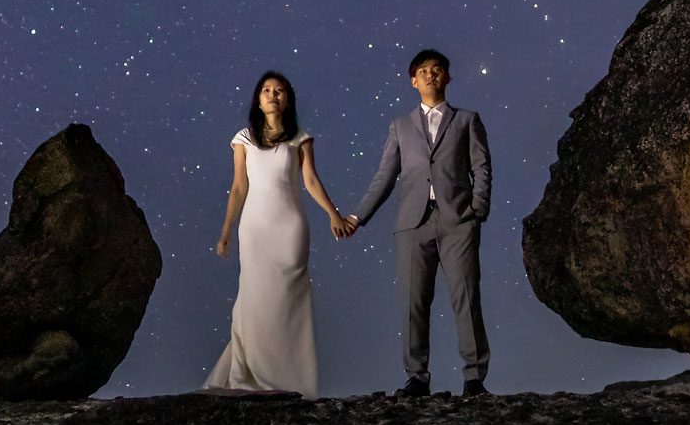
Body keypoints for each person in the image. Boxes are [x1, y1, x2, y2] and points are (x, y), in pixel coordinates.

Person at [346, 48, 491, 397]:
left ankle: (474, 378)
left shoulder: (466, 119)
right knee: (413, 301)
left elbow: (481, 166)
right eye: (423, 71)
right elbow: (385, 176)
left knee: (466, 296)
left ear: (448, 77)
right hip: (413, 223)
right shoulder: (400, 125)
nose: (430, 75)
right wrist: (357, 216)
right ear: (413, 81)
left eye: (437, 69)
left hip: (458, 220)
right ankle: (417, 377)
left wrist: (478, 209)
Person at [205, 70, 354, 397]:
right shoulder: (244, 138)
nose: (273, 95)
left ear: (287, 99)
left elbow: (310, 180)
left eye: (279, 90)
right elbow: (238, 187)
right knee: (255, 295)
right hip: (255, 227)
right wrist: (226, 229)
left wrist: (333, 214)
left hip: (290, 226)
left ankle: (291, 378)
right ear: (258, 100)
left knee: (288, 296)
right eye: (266, 90)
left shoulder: (300, 137)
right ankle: (252, 373)